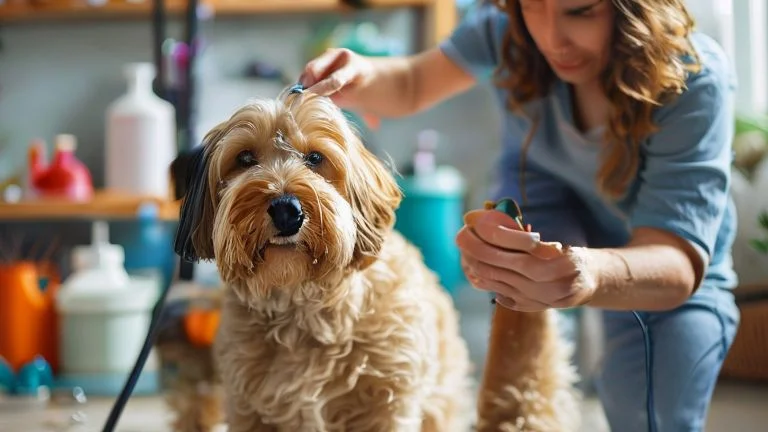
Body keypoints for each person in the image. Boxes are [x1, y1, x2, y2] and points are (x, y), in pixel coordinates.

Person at [298, 0, 740, 430]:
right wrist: (363, 74)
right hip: (546, 207)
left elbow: (677, 262)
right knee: (514, 360)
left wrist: (589, 274)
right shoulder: (508, 28)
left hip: (662, 268)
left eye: (580, 11)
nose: (550, 38)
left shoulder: (696, 78)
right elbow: (414, 82)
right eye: (530, 6)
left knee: (647, 412)